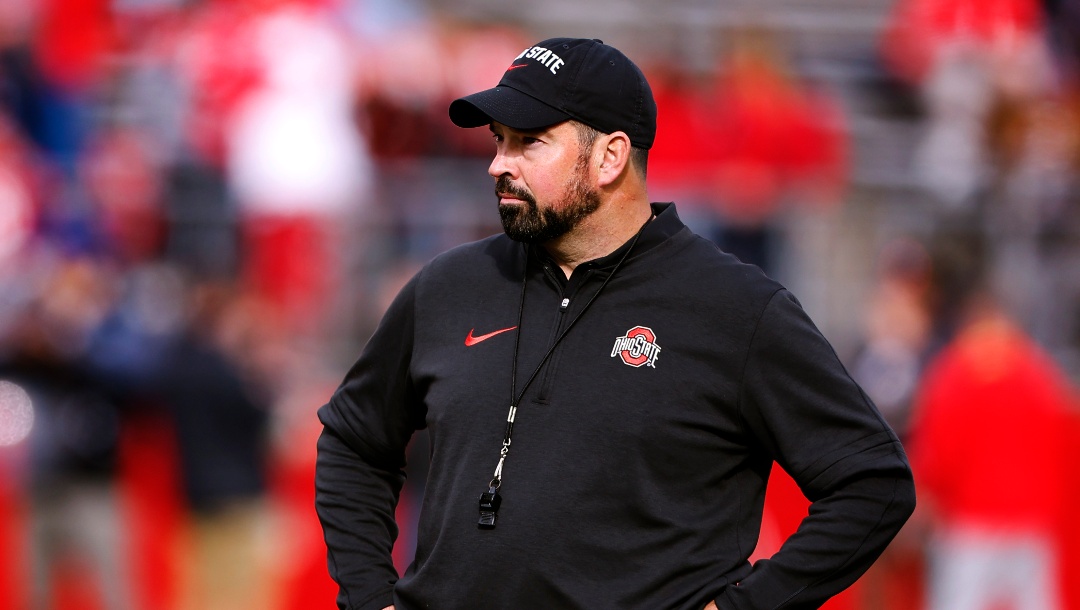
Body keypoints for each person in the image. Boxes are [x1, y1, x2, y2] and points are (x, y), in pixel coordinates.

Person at [315, 37, 916, 610]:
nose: (499, 164)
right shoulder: (447, 287)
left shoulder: (736, 308)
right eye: (499, 140)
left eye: (528, 141)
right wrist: (371, 600)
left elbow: (873, 483)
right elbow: (353, 441)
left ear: (610, 156)